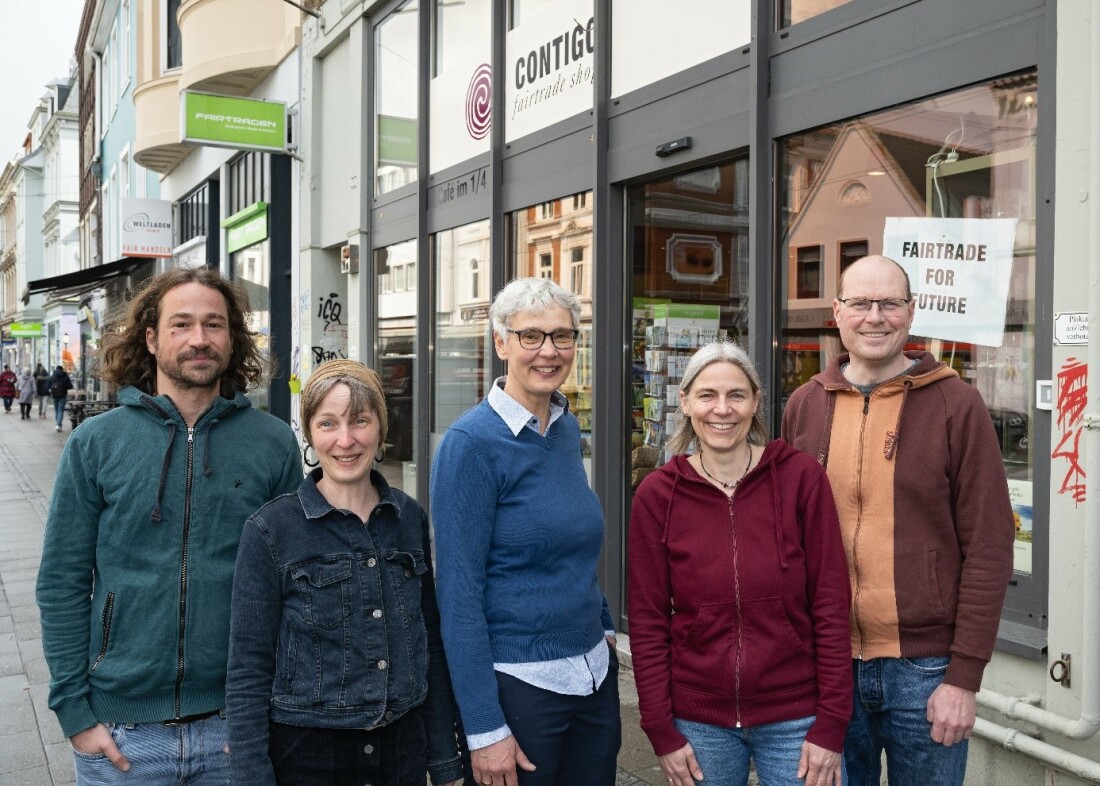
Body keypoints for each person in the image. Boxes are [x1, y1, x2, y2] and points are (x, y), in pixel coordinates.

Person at [35, 267, 302, 785]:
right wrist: (75, 713)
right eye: (181, 325)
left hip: (238, 726)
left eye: (214, 324)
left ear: (233, 338)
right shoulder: (97, 442)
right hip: (123, 733)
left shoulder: (272, 443)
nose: (199, 339)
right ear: (152, 339)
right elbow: (62, 581)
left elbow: (293, 582)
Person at [781, 254, 1014, 786]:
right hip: (828, 663)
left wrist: (964, 678)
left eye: (889, 303)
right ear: (837, 313)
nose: (875, 317)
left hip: (927, 672)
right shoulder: (805, 406)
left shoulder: (958, 404)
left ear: (911, 312)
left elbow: (989, 547)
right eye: (860, 303)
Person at [226, 359, 462, 786]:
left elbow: (431, 645)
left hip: (401, 750)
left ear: (380, 429)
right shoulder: (272, 530)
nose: (346, 440)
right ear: (311, 435)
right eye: (328, 424)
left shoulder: (408, 518)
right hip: (307, 754)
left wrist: (444, 761)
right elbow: (248, 669)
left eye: (360, 421)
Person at [629, 341, 852, 786]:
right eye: (708, 395)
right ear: (686, 402)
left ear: (755, 403)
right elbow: (647, 621)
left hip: (797, 716)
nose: (722, 409)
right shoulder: (658, 494)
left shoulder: (800, 479)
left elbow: (830, 605)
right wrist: (660, 730)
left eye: (736, 395)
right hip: (698, 719)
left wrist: (831, 723)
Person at [431, 277, 621, 786]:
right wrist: (484, 727)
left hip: (593, 677)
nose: (549, 351)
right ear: (500, 342)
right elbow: (458, 594)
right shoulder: (470, 444)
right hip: (519, 686)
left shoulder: (563, 427)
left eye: (563, 336)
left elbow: (575, 541)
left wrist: (602, 626)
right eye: (531, 336)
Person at [48, 364, 73, 432]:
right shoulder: (65, 375)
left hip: (54, 395)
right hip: (63, 395)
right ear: (62, 369)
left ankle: (58, 425)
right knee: (61, 410)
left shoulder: (52, 376)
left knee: (56, 410)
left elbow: (49, 385)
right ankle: (58, 425)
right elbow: (70, 386)